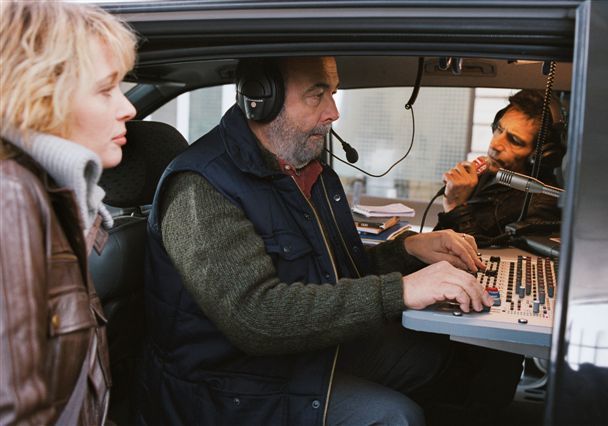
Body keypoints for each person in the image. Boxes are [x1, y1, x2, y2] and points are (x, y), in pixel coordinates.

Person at [139, 56, 521, 425]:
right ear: (261, 98)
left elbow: (335, 273)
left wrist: (406, 252)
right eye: (316, 94)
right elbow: (255, 318)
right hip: (230, 386)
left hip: (299, 353)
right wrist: (401, 290)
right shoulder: (201, 185)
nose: (333, 112)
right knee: (395, 417)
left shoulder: (304, 170)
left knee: (435, 358)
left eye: (333, 93)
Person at [0, 1, 137, 424]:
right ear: (43, 96)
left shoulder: (54, 196)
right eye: (104, 89)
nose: (127, 108)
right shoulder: (12, 197)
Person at [434, 90, 564, 241]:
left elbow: (490, 260)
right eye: (499, 129)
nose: (495, 144)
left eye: (514, 140)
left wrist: (456, 206)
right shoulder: (488, 176)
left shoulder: (542, 204)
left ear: (539, 155)